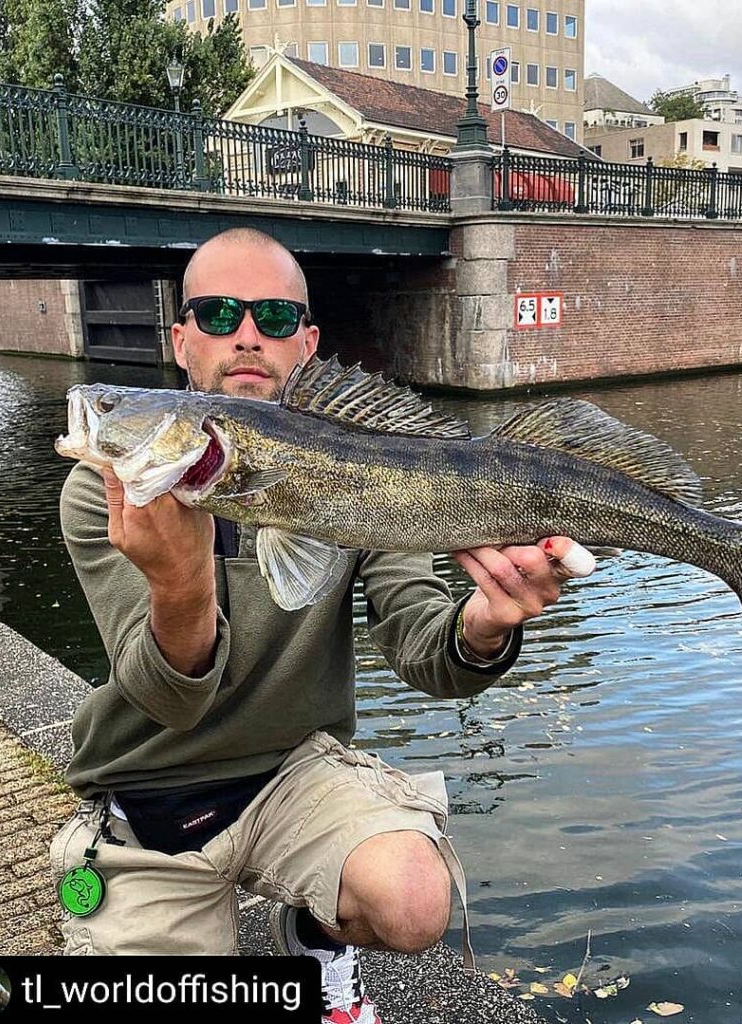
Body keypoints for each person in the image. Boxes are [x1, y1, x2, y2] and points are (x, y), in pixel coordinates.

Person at [52, 228, 590, 1024]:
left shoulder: (364, 465)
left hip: (294, 771)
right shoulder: (106, 495)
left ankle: (309, 930)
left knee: (413, 901)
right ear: (179, 341)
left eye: (273, 316)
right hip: (150, 797)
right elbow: (170, 701)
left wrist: (482, 625)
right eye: (218, 313)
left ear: (306, 342)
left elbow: (421, 647)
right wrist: (177, 579)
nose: (246, 335)